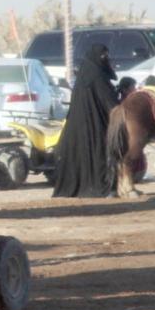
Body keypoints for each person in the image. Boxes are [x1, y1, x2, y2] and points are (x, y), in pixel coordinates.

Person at [52, 44, 119, 198]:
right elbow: (109, 102)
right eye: (103, 55)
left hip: (78, 126)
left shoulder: (85, 76)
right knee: (100, 152)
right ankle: (101, 187)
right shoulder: (97, 77)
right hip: (95, 124)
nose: (105, 58)